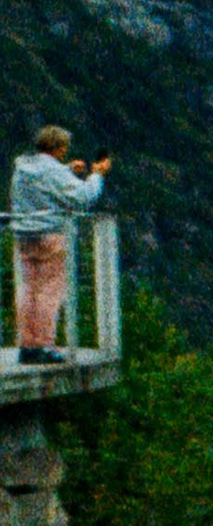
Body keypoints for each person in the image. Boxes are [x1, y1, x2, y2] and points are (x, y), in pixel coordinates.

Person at [11, 126, 109, 366]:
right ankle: (44, 346)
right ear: (57, 147)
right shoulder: (54, 171)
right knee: (49, 291)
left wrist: (67, 171)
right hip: (50, 234)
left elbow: (43, 184)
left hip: (24, 234)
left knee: (28, 290)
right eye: (64, 147)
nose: (66, 151)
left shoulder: (22, 169)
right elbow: (83, 197)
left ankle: (27, 345)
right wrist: (97, 175)